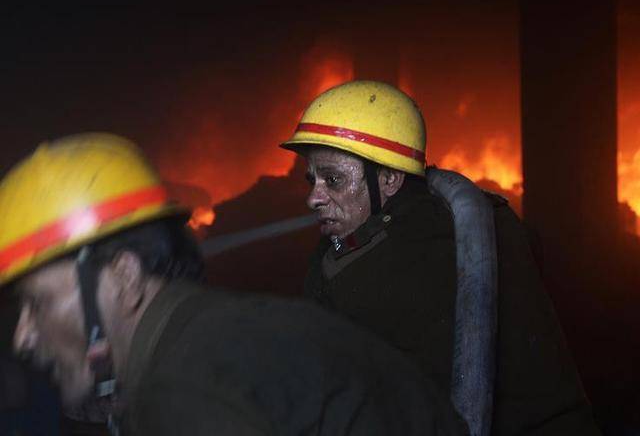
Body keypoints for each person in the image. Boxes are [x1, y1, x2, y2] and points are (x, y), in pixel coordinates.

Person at [2, 132, 467, 436]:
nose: (22, 336)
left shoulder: (183, 391)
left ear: (123, 277)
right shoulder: (203, 331)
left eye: (37, 303)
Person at [280, 80, 602, 436]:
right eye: (313, 180)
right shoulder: (367, 237)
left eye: (333, 180)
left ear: (389, 179)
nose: (313, 198)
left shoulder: (426, 250)